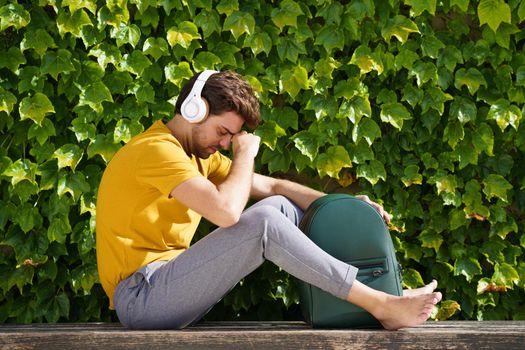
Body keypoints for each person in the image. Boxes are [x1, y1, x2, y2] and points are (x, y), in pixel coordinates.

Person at [96, 70, 441, 330]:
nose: (227, 143)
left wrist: (343, 206)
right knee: (264, 223)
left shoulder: (197, 158)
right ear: (194, 109)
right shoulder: (156, 151)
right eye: (223, 132)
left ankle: (383, 292)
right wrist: (246, 153)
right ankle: (379, 304)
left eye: (232, 138)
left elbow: (275, 187)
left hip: (169, 285)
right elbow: (227, 213)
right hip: (142, 297)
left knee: (281, 209)